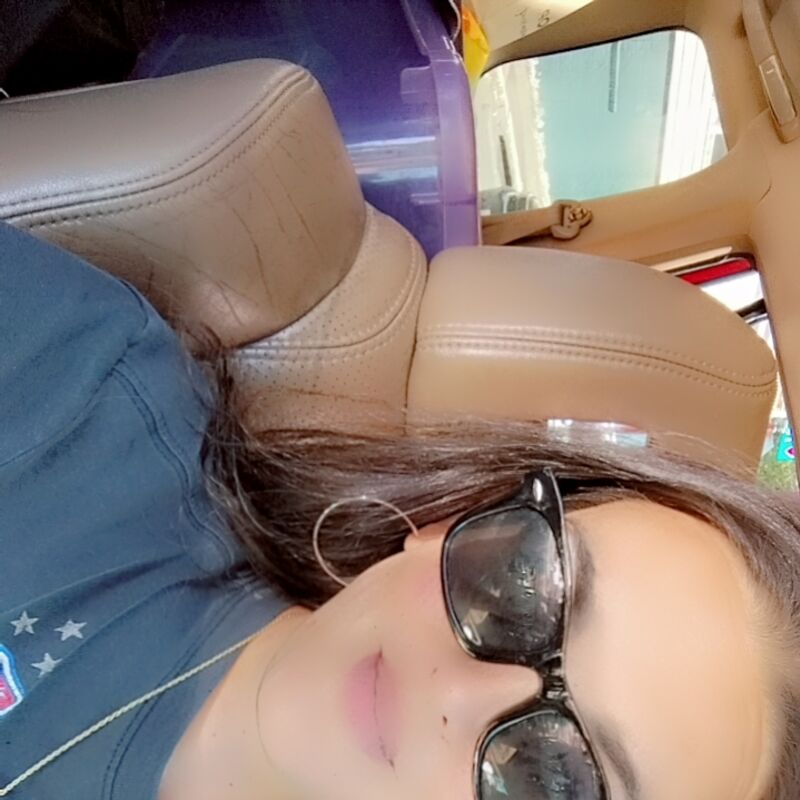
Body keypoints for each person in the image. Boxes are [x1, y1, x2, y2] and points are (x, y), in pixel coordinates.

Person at [1, 220, 799, 800]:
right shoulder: (68, 396)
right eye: (520, 582)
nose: (455, 691)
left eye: (557, 780)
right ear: (455, 518)